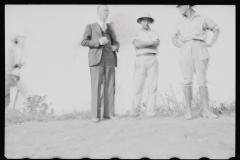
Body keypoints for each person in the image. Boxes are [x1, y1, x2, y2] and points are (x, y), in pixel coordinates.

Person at [172, 5, 220, 119]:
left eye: (180, 6)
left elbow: (216, 28)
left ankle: (206, 111)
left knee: (202, 80)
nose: (178, 9)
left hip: (200, 47)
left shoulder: (202, 18)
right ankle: (188, 111)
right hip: (185, 48)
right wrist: (176, 42)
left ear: (187, 5)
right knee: (187, 80)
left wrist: (211, 43)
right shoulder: (180, 21)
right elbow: (173, 36)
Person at [81, 5, 120, 123]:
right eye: (103, 11)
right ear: (98, 12)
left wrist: (115, 47)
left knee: (110, 87)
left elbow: (117, 42)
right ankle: (95, 115)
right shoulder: (90, 27)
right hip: (96, 60)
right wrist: (98, 41)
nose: (106, 13)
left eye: (107, 11)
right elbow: (83, 41)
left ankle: (109, 114)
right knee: (96, 87)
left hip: (110, 59)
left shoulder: (111, 28)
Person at [131, 12, 160, 118]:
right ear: (140, 21)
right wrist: (150, 43)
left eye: (148, 20)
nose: (146, 22)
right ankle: (135, 112)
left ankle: (151, 113)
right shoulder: (136, 32)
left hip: (152, 58)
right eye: (144, 20)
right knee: (137, 87)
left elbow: (156, 43)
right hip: (140, 58)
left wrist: (143, 44)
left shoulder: (155, 32)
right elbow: (136, 44)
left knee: (152, 87)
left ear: (150, 21)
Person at [5, 34, 26, 112]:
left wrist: (17, 65)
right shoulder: (9, 50)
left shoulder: (10, 50)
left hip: (8, 77)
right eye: (17, 42)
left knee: (8, 98)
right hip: (7, 78)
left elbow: (9, 67)